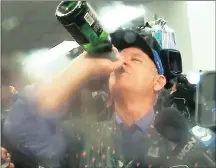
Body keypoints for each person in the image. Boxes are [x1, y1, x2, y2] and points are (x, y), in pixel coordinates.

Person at [3, 30, 168, 168]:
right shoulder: (82, 138)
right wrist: (85, 66)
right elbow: (21, 127)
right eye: (119, 58)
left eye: (135, 59)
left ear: (158, 81)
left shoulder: (179, 141)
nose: (122, 63)